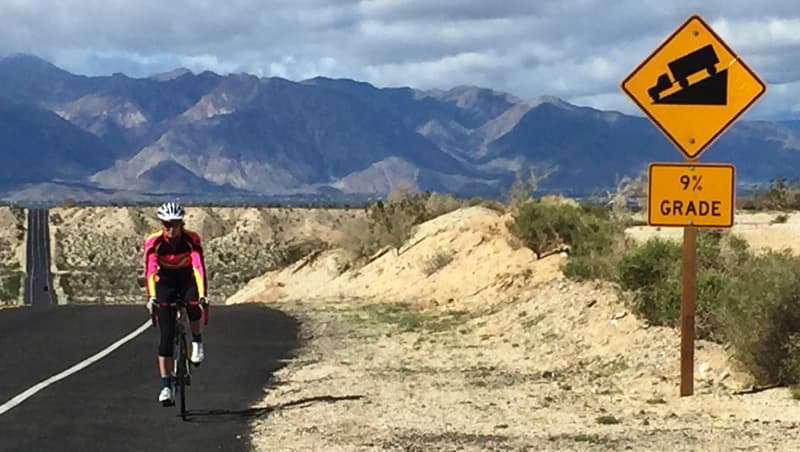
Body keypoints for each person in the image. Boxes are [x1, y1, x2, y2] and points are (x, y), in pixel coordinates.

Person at [143, 201, 208, 406]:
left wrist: (203, 295)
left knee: (192, 304)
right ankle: (165, 386)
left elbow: (198, 267)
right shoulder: (154, 242)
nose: (171, 229)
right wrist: (152, 297)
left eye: (176, 224)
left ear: (182, 224)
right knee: (166, 337)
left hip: (186, 278)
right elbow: (151, 270)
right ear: (161, 224)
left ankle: (197, 341)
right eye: (167, 225)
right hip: (166, 283)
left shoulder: (191, 239)